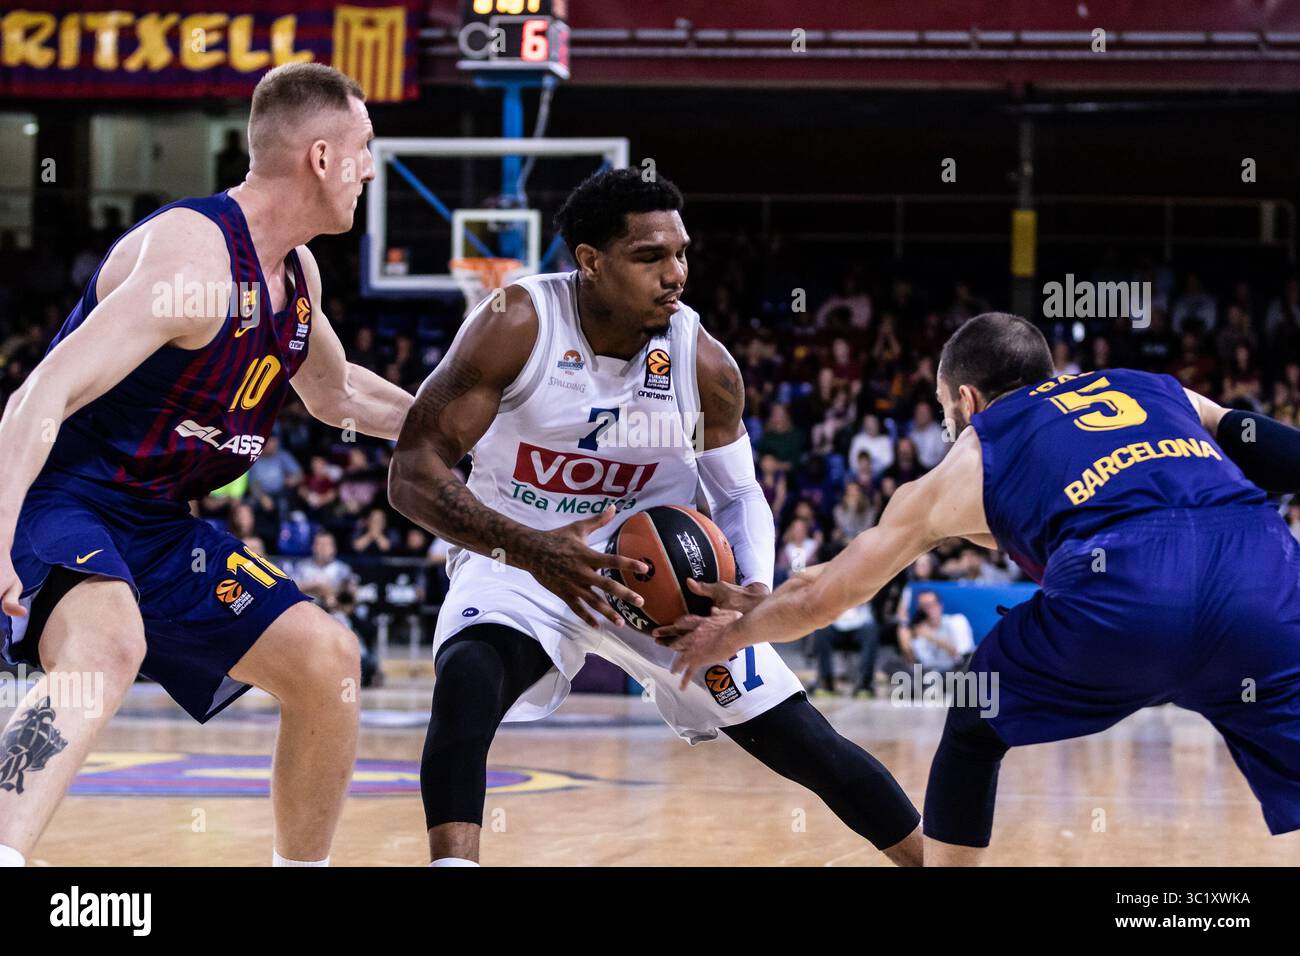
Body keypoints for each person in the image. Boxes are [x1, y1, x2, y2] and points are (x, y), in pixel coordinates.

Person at [388, 168, 921, 867]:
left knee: (805, 743)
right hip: (519, 557)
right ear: (590, 261)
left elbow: (738, 496)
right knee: (467, 683)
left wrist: (749, 599)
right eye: (650, 257)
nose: (675, 275)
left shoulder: (703, 364)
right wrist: (533, 549)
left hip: (662, 578)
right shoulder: (516, 325)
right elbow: (412, 473)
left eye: (681, 254)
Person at [664, 311, 1300, 865]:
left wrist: (736, 633)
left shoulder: (969, 459)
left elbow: (825, 597)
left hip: (1126, 597)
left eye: (944, 411)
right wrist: (760, 598)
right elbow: (1263, 443)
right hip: (1263, 576)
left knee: (976, 717)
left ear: (966, 401)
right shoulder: (1153, 389)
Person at [0, 63, 413, 868]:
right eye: (364, 147)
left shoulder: (297, 275)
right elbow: (39, 394)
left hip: (156, 525)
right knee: (107, 643)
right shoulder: (193, 259)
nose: (370, 167)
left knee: (327, 662)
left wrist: (488, 426)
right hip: (62, 495)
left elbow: (340, 397)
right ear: (321, 157)